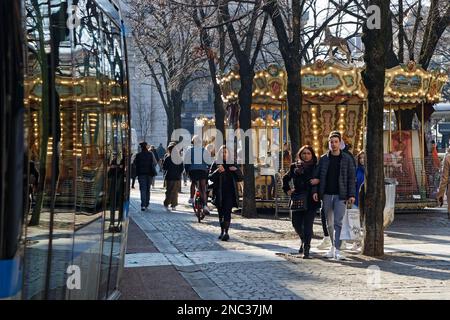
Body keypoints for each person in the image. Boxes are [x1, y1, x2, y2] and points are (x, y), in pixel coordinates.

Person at [316, 131, 356, 260]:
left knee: (338, 222)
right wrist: (316, 191)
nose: (333, 144)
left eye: (336, 142)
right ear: (328, 143)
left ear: (340, 143)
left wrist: (351, 194)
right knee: (329, 223)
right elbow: (318, 176)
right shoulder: (323, 159)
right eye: (331, 142)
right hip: (327, 194)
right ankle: (333, 247)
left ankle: (338, 249)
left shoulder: (347, 159)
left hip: (341, 195)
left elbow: (351, 178)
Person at [282, 145, 320, 259]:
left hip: (311, 198)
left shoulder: (315, 167)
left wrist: (318, 181)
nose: (306, 155)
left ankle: (306, 249)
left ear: (312, 155)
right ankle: (303, 240)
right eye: (304, 153)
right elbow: (285, 178)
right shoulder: (294, 166)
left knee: (308, 225)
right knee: (296, 223)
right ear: (300, 155)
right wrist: (288, 190)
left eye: (308, 153)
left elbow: (322, 179)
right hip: (298, 197)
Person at [209, 145, 243, 241]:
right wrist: (217, 171)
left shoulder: (232, 163)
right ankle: (222, 230)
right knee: (221, 212)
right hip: (219, 191)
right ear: (219, 153)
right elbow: (210, 177)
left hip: (230, 192)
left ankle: (226, 232)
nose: (224, 154)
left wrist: (236, 170)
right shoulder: (216, 163)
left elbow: (240, 178)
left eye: (226, 152)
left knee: (227, 212)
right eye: (222, 152)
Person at [184, 135, 210, 214]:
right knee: (203, 188)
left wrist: (187, 171)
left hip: (193, 170)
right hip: (202, 170)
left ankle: (191, 198)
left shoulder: (189, 150)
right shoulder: (204, 150)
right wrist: (207, 169)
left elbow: (187, 162)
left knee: (193, 183)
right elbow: (208, 161)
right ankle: (205, 205)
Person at [135, 142, 157, 211]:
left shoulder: (138, 155)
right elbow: (155, 162)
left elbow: (135, 163)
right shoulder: (150, 154)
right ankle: (147, 204)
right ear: (146, 147)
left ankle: (143, 205)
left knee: (143, 190)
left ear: (141, 148)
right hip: (149, 174)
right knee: (148, 189)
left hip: (141, 174)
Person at [163, 142, 184, 211]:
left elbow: (164, 167)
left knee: (168, 190)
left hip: (169, 177)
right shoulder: (179, 158)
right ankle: (174, 205)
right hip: (177, 177)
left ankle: (167, 203)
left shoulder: (168, 158)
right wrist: (178, 173)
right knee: (175, 191)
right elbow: (182, 168)